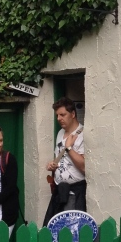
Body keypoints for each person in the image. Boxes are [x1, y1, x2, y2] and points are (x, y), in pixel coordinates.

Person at [43, 97, 86, 226]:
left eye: (63, 115)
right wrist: (53, 165)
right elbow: (62, 160)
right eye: (57, 115)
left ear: (72, 114)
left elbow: (84, 167)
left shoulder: (82, 135)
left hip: (73, 193)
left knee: (69, 230)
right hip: (59, 191)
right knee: (52, 229)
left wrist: (69, 148)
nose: (59, 118)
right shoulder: (61, 133)